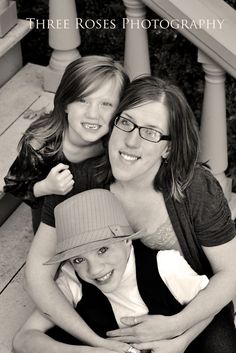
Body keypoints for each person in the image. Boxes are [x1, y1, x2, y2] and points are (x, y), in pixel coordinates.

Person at [25, 76, 236, 352]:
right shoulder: (78, 182)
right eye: (125, 122)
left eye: (150, 132)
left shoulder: (196, 188)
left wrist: (177, 331)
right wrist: (97, 345)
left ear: (169, 147)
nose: (130, 142)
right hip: (109, 302)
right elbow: (39, 274)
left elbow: (230, 272)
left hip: (191, 301)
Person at [13, 189, 211, 353]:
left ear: (126, 240)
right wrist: (86, 351)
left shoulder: (165, 266)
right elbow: (24, 338)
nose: (95, 269)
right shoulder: (73, 279)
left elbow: (211, 305)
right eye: (79, 259)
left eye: (103, 249)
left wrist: (181, 341)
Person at [4, 55, 129, 233]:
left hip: (98, 219)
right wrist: (46, 187)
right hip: (53, 226)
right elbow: (15, 186)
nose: (93, 114)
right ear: (65, 104)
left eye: (106, 104)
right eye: (83, 100)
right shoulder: (41, 144)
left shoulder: (116, 142)